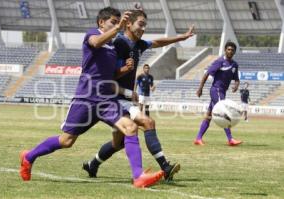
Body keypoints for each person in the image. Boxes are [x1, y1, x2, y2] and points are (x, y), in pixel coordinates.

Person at [19, 7, 164, 188]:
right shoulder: (92, 35)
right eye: (112, 21)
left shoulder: (113, 46)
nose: (116, 25)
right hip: (85, 99)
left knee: (130, 127)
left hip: (105, 100)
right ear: (101, 22)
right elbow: (95, 43)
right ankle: (29, 156)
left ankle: (138, 177)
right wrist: (118, 28)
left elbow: (112, 73)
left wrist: (125, 71)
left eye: (118, 22)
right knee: (67, 141)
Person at [82, 9, 195, 181]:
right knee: (147, 122)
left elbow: (158, 42)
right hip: (113, 98)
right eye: (140, 24)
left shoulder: (139, 44)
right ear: (128, 24)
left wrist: (182, 37)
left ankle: (93, 164)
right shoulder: (117, 43)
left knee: (117, 143)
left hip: (123, 98)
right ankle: (165, 167)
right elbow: (108, 77)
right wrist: (127, 89)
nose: (143, 29)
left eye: (145, 26)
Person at [194, 41, 243, 146]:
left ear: (234, 52)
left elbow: (237, 79)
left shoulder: (235, 65)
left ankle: (198, 138)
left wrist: (236, 85)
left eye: (232, 50)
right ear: (225, 50)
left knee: (208, 116)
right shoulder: (219, 61)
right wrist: (200, 88)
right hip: (216, 90)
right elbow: (207, 74)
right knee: (224, 112)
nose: (230, 51)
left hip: (222, 92)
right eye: (228, 49)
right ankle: (230, 139)